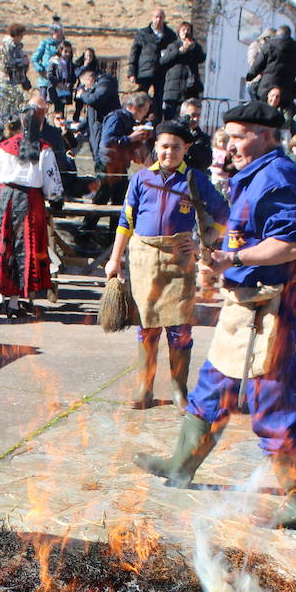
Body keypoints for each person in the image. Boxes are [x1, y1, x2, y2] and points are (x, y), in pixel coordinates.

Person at [134, 101, 296, 531]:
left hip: (271, 306)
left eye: (239, 136)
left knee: (272, 402)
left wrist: (231, 257)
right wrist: (220, 255)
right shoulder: (255, 173)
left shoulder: (277, 177)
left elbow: (291, 245)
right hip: (246, 302)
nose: (229, 145)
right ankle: (181, 465)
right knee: (213, 384)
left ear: (267, 134)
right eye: (228, 136)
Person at [102, 120, 228, 410]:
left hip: (178, 262)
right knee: (147, 328)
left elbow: (223, 216)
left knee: (179, 329)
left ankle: (179, 390)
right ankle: (144, 389)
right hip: (144, 261)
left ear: (186, 149)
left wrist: (202, 245)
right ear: (155, 147)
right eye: (164, 146)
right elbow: (126, 221)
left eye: (175, 147)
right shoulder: (141, 179)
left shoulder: (196, 180)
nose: (169, 152)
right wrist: (114, 260)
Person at [0, 107, 63, 316]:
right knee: (22, 249)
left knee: (2, 245)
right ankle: (13, 302)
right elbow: (53, 187)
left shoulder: (2, 147)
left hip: (3, 199)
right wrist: (56, 197)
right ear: (39, 126)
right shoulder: (45, 149)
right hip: (29, 202)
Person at [90, 92, 154, 230]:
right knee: (101, 200)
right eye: (145, 111)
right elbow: (108, 141)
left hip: (120, 166)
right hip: (108, 165)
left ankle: (113, 236)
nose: (145, 114)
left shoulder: (130, 121)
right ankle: (84, 234)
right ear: (137, 108)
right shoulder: (117, 117)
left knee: (120, 202)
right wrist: (131, 138)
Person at [246, 26, 296, 114]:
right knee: (283, 114)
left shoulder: (269, 46)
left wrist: (250, 75)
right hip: (286, 90)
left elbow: (258, 64)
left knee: (252, 91)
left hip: (266, 87)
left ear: (277, 34)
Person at [128, 8, 176, 119]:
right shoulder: (143, 33)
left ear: (164, 19)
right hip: (144, 71)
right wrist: (132, 72)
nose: (158, 20)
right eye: (156, 17)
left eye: (160, 17)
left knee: (159, 100)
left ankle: (156, 122)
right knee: (140, 97)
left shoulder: (170, 35)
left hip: (161, 73)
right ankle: (137, 118)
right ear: (152, 18)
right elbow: (134, 53)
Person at [158, 21, 205, 120]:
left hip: (190, 89)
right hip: (173, 89)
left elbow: (202, 58)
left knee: (188, 118)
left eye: (188, 30)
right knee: (170, 118)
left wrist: (193, 47)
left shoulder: (195, 46)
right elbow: (164, 61)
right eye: (184, 30)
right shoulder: (173, 46)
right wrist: (180, 50)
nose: (186, 32)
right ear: (179, 32)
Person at [77, 68, 120, 166]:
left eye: (84, 85)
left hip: (104, 129)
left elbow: (95, 100)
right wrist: (80, 126)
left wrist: (82, 94)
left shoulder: (106, 83)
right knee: (98, 159)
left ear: (90, 80)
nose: (85, 88)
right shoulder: (96, 88)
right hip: (95, 130)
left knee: (104, 160)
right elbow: (92, 113)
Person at [0, 23, 31, 92]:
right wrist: (21, 61)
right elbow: (6, 63)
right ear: (16, 35)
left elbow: (24, 61)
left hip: (15, 81)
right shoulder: (6, 47)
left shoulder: (18, 47)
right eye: (21, 36)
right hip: (5, 80)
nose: (22, 38)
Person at [32, 22, 66, 94]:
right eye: (57, 31)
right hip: (46, 80)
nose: (60, 34)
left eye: (61, 31)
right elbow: (35, 59)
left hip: (59, 81)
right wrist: (41, 70)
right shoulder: (45, 43)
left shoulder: (65, 45)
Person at [47, 41, 77, 117]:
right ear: (60, 51)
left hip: (65, 88)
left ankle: (61, 125)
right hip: (56, 89)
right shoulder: (54, 62)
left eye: (69, 52)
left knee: (62, 109)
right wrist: (57, 84)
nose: (67, 54)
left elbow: (73, 76)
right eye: (65, 51)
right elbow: (50, 75)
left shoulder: (70, 64)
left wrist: (70, 84)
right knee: (57, 109)